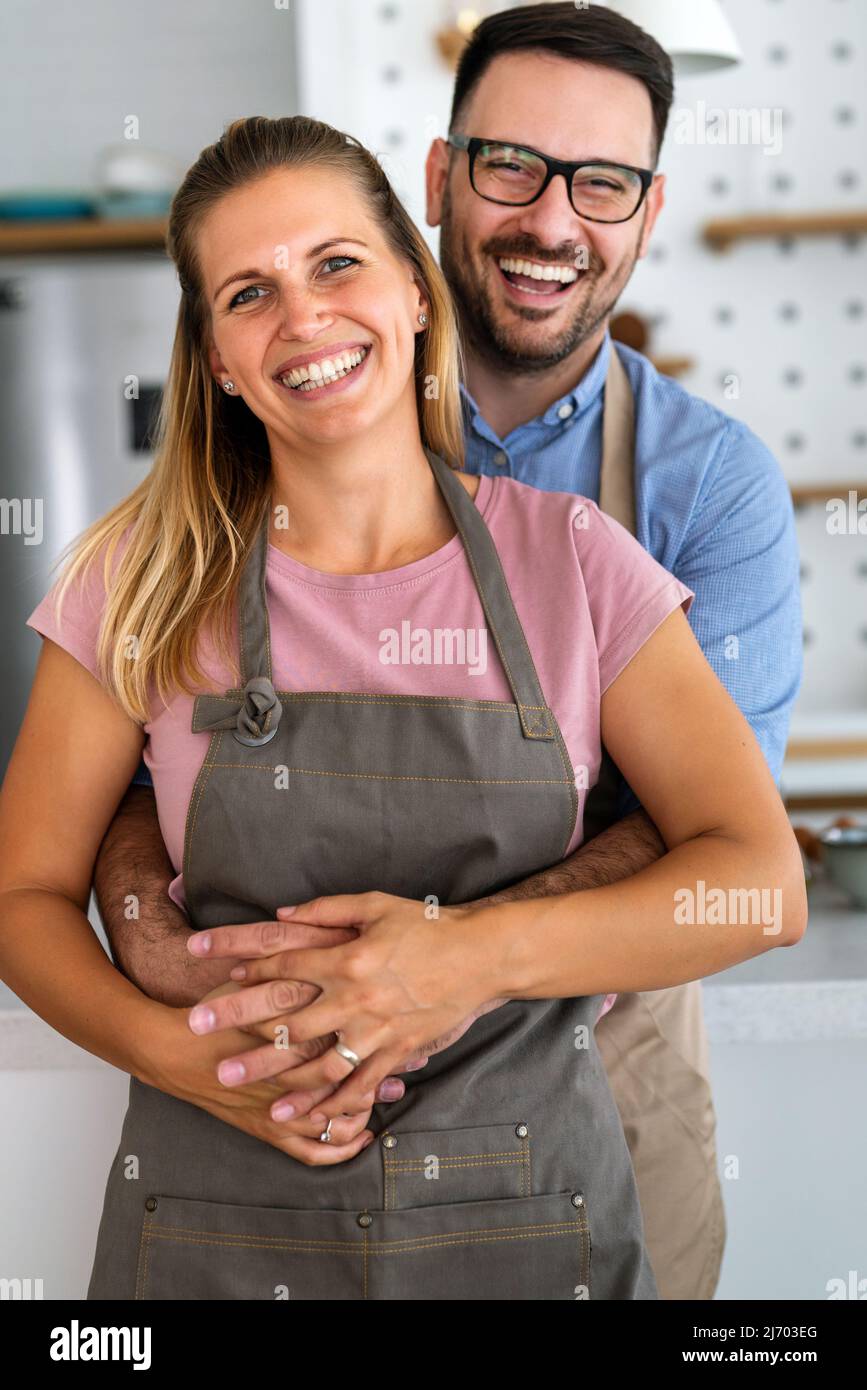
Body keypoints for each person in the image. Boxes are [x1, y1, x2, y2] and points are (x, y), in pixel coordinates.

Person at [2, 112, 805, 1301]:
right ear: (215, 358)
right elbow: (21, 895)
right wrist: (176, 1057)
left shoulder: (578, 563)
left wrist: (463, 960)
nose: (304, 319)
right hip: (218, 1219)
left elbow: (761, 881)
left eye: (336, 263)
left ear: (416, 292)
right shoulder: (137, 579)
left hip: (528, 1222)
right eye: (247, 294)